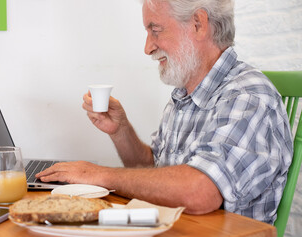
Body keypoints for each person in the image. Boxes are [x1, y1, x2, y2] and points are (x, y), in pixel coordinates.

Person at [36, 0, 293, 224]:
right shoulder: (184, 95)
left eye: (155, 29)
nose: (147, 47)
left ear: (198, 24)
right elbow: (153, 174)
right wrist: (121, 130)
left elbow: (199, 192)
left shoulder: (248, 96)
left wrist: (100, 174)